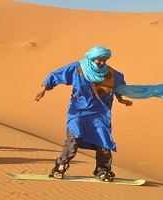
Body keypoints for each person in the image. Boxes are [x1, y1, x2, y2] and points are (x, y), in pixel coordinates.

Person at [34, 46, 133, 182]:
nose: (102, 63)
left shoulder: (112, 74)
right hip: (78, 112)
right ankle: (61, 166)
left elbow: (119, 86)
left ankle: (103, 169)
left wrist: (121, 99)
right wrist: (43, 89)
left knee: (104, 141)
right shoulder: (77, 68)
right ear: (92, 58)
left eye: (105, 60)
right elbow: (56, 75)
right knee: (73, 139)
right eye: (99, 60)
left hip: (100, 113)